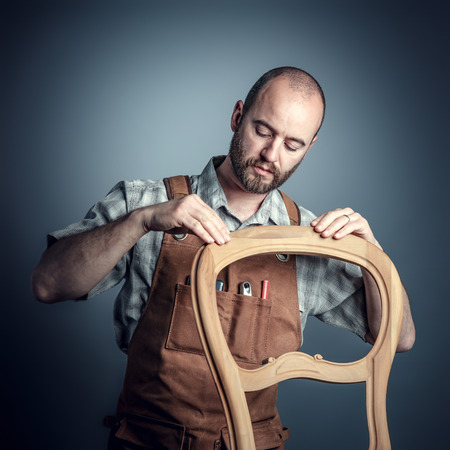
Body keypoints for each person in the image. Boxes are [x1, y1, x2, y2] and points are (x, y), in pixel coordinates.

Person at [31, 66, 415, 449]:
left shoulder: (311, 239)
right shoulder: (146, 203)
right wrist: (139, 222)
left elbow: (400, 338)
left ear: (310, 146)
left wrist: (373, 257)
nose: (271, 154)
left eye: (292, 144)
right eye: (262, 131)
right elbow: (47, 285)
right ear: (237, 117)